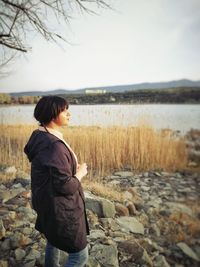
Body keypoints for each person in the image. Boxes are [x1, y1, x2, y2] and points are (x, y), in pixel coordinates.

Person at [24, 95, 89, 267]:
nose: (69, 114)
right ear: (53, 114)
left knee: (53, 239)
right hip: (60, 208)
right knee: (79, 255)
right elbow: (66, 186)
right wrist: (80, 173)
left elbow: (51, 172)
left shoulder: (40, 135)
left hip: (46, 203)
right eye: (64, 110)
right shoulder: (53, 146)